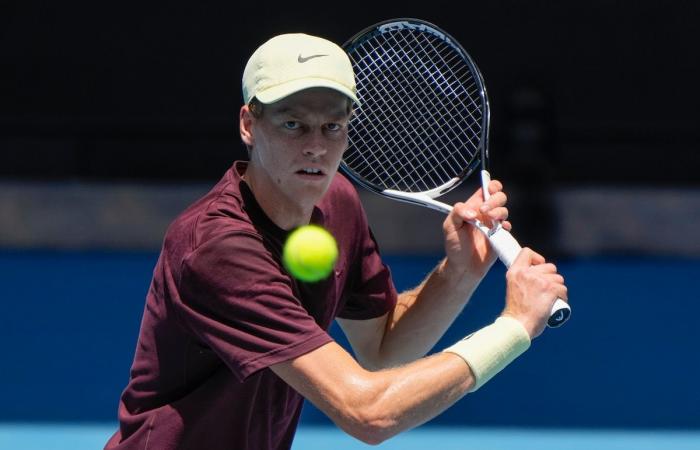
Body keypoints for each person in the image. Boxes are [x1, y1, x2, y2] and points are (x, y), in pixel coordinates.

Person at [105, 33, 567, 450]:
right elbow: (368, 412)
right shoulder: (217, 248)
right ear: (249, 124)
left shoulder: (338, 202)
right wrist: (514, 327)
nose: (316, 146)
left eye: (332, 127)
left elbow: (383, 349)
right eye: (293, 125)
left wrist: (458, 276)